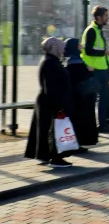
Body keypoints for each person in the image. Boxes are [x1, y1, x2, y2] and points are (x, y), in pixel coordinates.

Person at [24, 37, 76, 168]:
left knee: (47, 129)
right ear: (54, 47)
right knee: (53, 130)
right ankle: (56, 157)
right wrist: (59, 106)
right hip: (52, 102)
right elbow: (52, 87)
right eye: (61, 47)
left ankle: (46, 155)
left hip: (49, 101)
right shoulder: (50, 63)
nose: (64, 50)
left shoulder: (51, 61)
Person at [80, 5, 109, 133]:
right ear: (99, 17)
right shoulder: (91, 30)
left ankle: (103, 124)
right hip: (94, 71)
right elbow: (89, 51)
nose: (108, 18)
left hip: (101, 70)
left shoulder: (98, 30)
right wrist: (104, 52)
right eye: (106, 15)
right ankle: (96, 126)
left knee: (104, 100)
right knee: (94, 101)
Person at [64, 38, 99, 150]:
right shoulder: (75, 62)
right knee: (81, 121)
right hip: (81, 98)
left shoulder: (70, 60)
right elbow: (80, 78)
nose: (81, 46)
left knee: (78, 120)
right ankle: (79, 144)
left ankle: (78, 143)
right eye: (78, 44)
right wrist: (88, 71)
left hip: (77, 97)